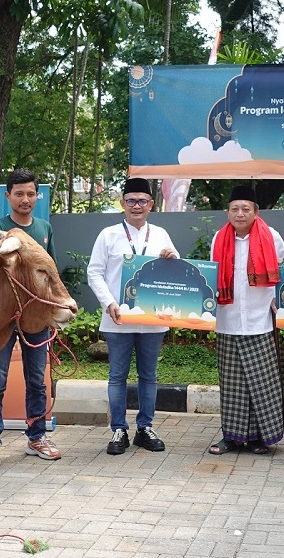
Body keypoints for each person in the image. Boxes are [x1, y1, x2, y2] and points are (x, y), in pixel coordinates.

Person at [87, 177, 179, 455]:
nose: (136, 206)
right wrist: (109, 303)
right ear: (122, 203)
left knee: (148, 375)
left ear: (151, 204)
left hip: (152, 320)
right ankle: (118, 429)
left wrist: (173, 258)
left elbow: (176, 274)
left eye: (142, 201)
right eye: (131, 201)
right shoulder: (108, 234)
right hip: (118, 318)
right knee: (117, 376)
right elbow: (94, 273)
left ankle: (144, 427)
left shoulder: (161, 234)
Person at [0, 169, 61, 468]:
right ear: (7, 196)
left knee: (37, 380)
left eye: (30, 194)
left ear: (37, 196)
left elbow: (50, 274)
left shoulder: (45, 228)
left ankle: (37, 436)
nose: (25, 199)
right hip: (3, 319)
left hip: (36, 319)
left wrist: (51, 311)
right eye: (19, 194)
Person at [207, 184, 284, 455]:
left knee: (262, 382)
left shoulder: (272, 236)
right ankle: (232, 437)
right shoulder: (219, 238)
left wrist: (280, 304)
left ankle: (261, 438)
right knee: (232, 383)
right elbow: (212, 276)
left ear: (256, 211)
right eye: (234, 209)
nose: (240, 214)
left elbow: (282, 272)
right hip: (227, 319)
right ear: (227, 212)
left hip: (260, 318)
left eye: (245, 209)